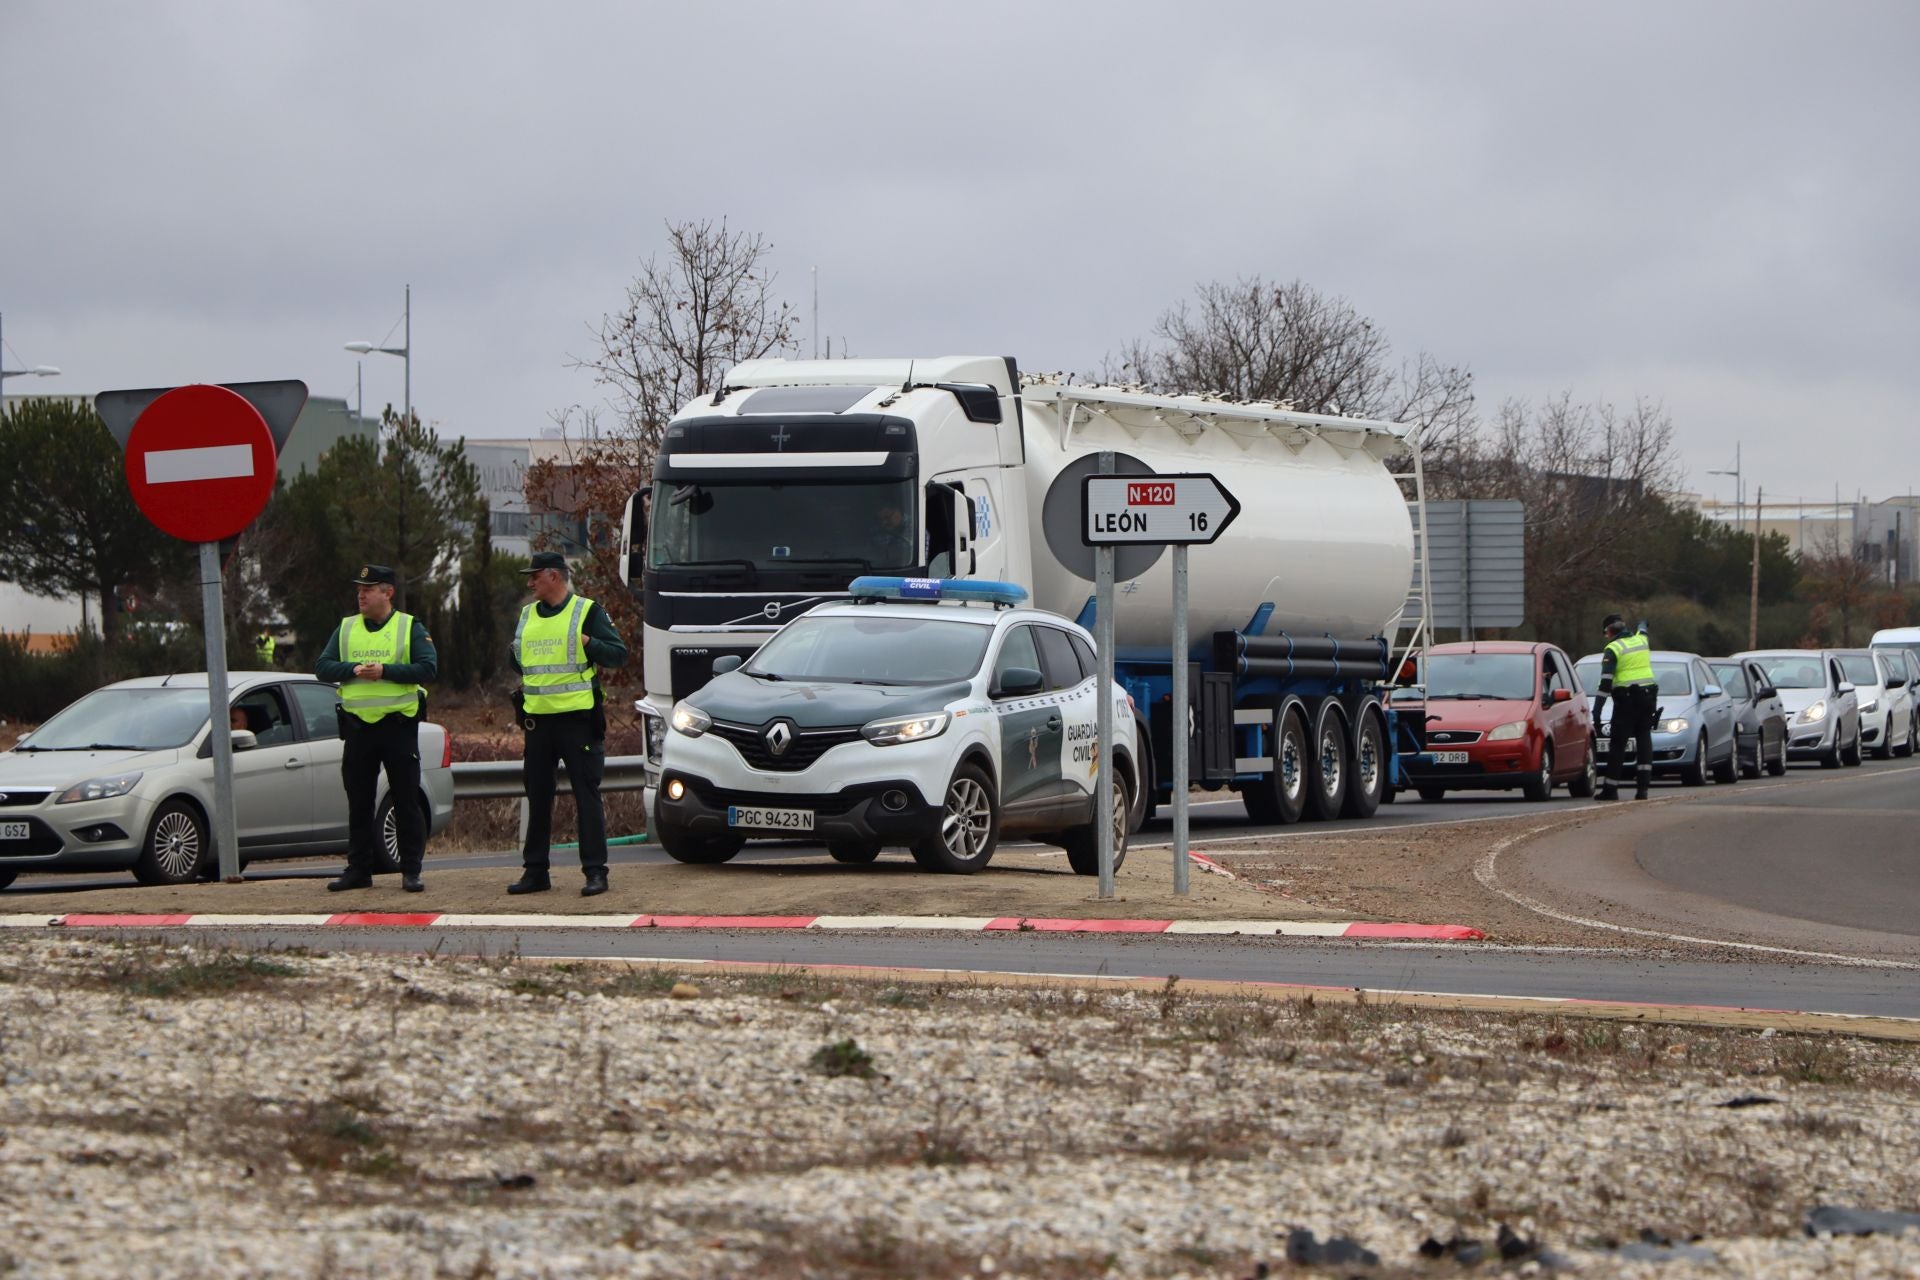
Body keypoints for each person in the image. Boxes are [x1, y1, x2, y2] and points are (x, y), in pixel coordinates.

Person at [507, 551, 629, 897]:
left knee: (586, 796)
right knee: (538, 795)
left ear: (554, 577)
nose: (530, 582)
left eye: (535, 576)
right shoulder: (527, 615)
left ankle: (595, 872)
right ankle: (535, 872)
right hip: (538, 720)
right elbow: (517, 660)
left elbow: (618, 655)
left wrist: (589, 644)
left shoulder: (586, 611)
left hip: (578, 720)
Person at [315, 565, 437, 892]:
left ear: (388, 593)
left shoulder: (409, 626)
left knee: (405, 800)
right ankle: (359, 870)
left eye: (369, 589)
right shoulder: (346, 628)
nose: (361, 595)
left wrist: (385, 671)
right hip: (358, 730)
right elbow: (322, 668)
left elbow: (428, 667)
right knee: (359, 801)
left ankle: (411, 870)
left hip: (397, 728)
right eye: (359, 589)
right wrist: (353, 669)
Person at [1592, 613, 1657, 800]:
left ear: (1609, 631)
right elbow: (1644, 627)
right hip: (1648, 697)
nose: (1606, 637)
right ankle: (1643, 789)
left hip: (1626, 700)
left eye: (1605, 634)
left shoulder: (1613, 648)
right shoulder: (1641, 640)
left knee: (1618, 744)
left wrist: (1597, 711)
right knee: (1644, 739)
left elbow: (1605, 683)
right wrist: (1643, 622)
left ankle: (1611, 789)